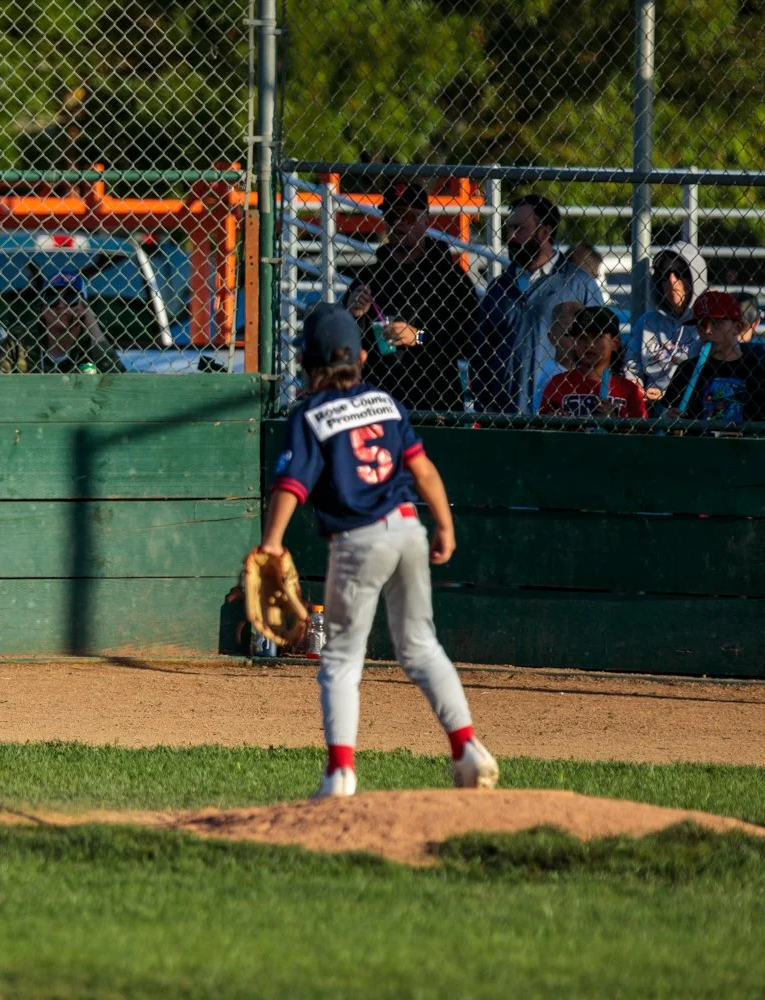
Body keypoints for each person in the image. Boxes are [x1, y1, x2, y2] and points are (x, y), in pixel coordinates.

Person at [255, 304, 499, 798]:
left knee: (341, 659)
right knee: (421, 646)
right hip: (408, 528)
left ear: (304, 361)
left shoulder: (309, 414)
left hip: (358, 539)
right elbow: (423, 469)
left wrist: (272, 542)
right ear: (363, 356)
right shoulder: (385, 403)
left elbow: (290, 486)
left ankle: (341, 773)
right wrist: (444, 524)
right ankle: (468, 749)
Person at [344, 184, 480, 411]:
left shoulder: (450, 278)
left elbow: (466, 341)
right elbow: (345, 343)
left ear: (426, 220)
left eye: (407, 217)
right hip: (376, 402)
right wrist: (353, 315)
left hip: (435, 402)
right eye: (391, 217)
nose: (398, 224)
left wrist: (418, 337)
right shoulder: (369, 278)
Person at [474, 194, 606, 413]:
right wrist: (485, 407)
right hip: (503, 417)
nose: (511, 236)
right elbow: (481, 352)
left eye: (520, 229)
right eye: (509, 228)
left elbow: (601, 351)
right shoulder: (498, 288)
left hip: (562, 418)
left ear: (544, 232)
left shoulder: (579, 284)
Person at [659, 290, 765, 424]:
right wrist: (668, 417)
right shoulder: (688, 369)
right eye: (701, 325)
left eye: (716, 323)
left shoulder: (757, 371)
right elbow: (666, 412)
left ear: (737, 327)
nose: (707, 331)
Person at [622, 242, 706, 402]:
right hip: (648, 401)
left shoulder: (707, 326)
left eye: (680, 273)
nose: (672, 281)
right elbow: (632, 365)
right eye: (664, 274)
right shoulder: (647, 322)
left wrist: (666, 395)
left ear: (696, 277)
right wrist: (637, 388)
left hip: (689, 402)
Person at [539, 307, 647, 420]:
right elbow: (539, 424)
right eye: (582, 337)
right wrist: (555, 422)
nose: (589, 344)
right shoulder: (558, 383)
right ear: (574, 342)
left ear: (615, 343)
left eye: (597, 337)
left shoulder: (630, 390)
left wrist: (614, 422)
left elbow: (641, 430)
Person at [35, 271, 125, 373]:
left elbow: (118, 377)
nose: (61, 305)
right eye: (52, 298)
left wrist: (92, 325)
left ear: (84, 307)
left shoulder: (93, 346)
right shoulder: (26, 343)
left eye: (70, 298)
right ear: (41, 308)